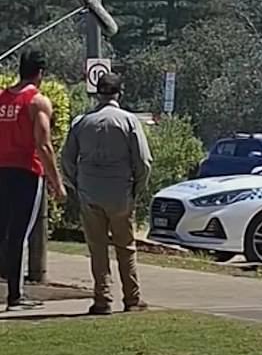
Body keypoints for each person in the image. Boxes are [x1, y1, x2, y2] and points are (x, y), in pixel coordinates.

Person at [62, 72, 152, 316]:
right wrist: (137, 188)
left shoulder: (82, 122)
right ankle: (132, 297)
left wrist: (77, 185)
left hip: (90, 191)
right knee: (126, 246)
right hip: (120, 191)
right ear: (119, 93)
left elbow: (67, 159)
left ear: (98, 93)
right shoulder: (129, 121)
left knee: (97, 247)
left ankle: (102, 298)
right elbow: (143, 161)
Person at [0, 49, 66, 311]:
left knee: (2, 231)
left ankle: (13, 289)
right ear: (40, 73)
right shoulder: (37, 102)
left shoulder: (2, 97)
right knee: (19, 234)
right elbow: (44, 145)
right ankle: (16, 294)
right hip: (26, 172)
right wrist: (57, 183)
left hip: (1, 169)